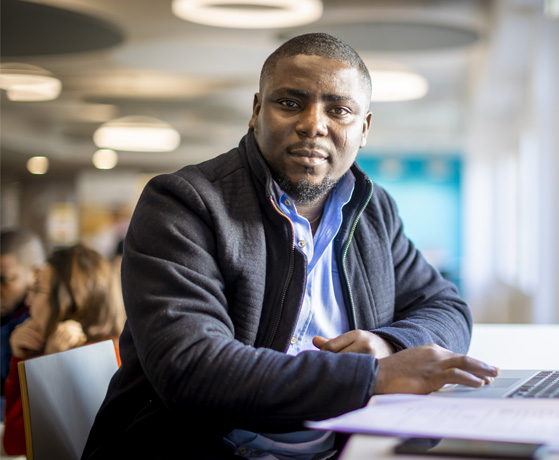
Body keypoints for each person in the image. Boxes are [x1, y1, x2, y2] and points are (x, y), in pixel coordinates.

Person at [83, 33, 498, 459]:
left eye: (339, 110)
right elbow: (193, 369)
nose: (313, 124)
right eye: (290, 103)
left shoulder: (374, 210)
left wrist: (389, 344)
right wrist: (373, 376)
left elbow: (446, 307)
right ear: (257, 111)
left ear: (364, 129)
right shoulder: (183, 204)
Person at [2, 244, 124, 455]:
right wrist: (22, 358)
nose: (29, 301)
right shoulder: (102, 346)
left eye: (38, 290)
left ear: (70, 301)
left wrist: (51, 362)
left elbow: (15, 441)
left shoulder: (98, 357)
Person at [0, 228, 45, 417]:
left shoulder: (40, 327)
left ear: (35, 274)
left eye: (5, 280)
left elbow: (32, 411)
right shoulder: (7, 315)